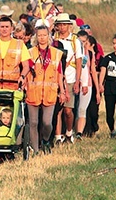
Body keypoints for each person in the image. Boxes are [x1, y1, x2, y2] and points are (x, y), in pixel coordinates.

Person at [25, 23, 66, 155]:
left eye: (44, 35)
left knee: (47, 123)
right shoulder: (30, 52)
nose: (42, 38)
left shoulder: (56, 53)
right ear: (36, 37)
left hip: (50, 92)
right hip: (33, 91)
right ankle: (36, 150)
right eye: (39, 35)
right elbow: (26, 70)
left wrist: (63, 91)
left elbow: (60, 74)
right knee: (33, 122)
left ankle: (46, 140)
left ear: (49, 36)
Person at [53, 13, 83, 144]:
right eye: (60, 24)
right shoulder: (52, 39)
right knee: (57, 110)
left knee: (68, 110)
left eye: (65, 24)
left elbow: (79, 61)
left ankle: (69, 132)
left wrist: (78, 81)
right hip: (55, 78)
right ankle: (58, 136)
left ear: (69, 26)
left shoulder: (75, 41)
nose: (62, 27)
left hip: (70, 78)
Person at [73, 30, 101, 140]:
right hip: (74, 81)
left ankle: (79, 133)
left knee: (82, 109)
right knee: (73, 109)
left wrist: (97, 90)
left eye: (85, 42)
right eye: (80, 41)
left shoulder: (89, 54)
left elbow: (92, 71)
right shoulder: (74, 52)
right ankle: (72, 131)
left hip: (87, 84)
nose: (82, 44)